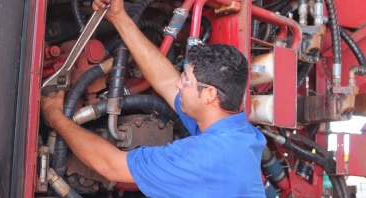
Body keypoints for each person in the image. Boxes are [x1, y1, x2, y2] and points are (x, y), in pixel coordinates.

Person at [41, 0, 267, 197]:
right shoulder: (238, 132)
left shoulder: (201, 159)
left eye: (186, 81)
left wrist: (55, 117)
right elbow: (167, 82)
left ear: (210, 94)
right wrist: (119, 17)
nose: (180, 84)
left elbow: (112, 166)